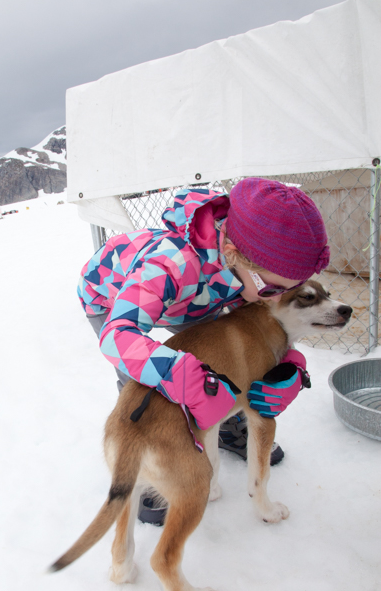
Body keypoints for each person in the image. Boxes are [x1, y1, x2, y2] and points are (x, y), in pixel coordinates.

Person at [78, 178, 330, 525]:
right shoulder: (170, 264)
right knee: (142, 377)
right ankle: (149, 471)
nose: (276, 299)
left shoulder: (247, 268)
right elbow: (118, 336)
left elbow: (254, 331)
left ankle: (226, 428)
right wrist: (179, 375)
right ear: (233, 254)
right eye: (272, 287)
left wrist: (288, 364)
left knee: (216, 354)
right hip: (112, 297)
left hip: (199, 298)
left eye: (287, 291)